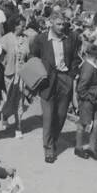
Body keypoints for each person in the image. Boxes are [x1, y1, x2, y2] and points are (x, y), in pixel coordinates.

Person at [30, 12, 81, 164]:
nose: (61, 27)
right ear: (51, 22)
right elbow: (33, 58)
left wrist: (72, 75)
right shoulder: (41, 39)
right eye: (58, 24)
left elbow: (75, 59)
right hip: (47, 81)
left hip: (65, 79)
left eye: (63, 24)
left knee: (61, 115)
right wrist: (38, 77)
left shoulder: (70, 38)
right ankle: (49, 149)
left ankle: (54, 139)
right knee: (48, 117)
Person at [73, 44, 97, 161]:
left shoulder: (91, 66)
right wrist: (89, 98)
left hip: (94, 100)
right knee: (83, 123)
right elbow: (81, 88)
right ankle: (78, 147)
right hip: (88, 101)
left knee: (96, 123)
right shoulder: (88, 68)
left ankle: (91, 148)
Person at [0, 16, 29, 139]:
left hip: (21, 74)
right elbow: (0, 58)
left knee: (19, 101)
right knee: (7, 100)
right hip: (9, 74)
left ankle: (18, 127)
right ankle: (5, 116)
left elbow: (28, 55)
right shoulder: (5, 39)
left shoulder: (26, 39)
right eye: (22, 25)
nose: (24, 27)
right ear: (15, 25)